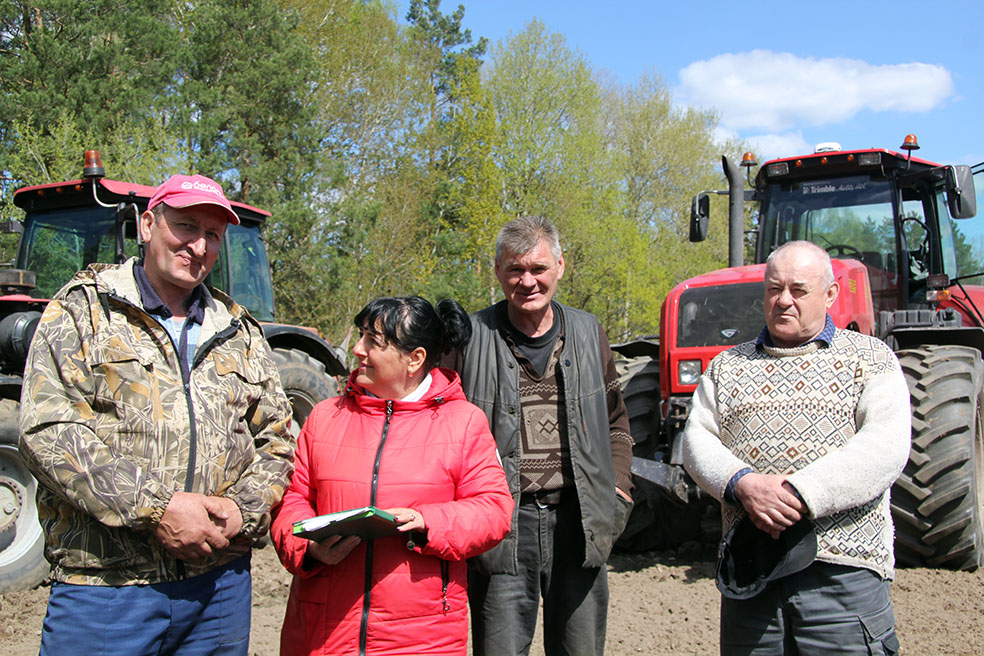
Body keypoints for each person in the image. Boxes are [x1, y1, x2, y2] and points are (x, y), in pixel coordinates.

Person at [18, 174, 295, 656]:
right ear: (148, 225)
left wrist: (240, 510)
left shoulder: (240, 331)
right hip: (106, 588)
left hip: (219, 588)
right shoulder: (85, 310)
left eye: (212, 235)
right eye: (185, 226)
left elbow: (277, 440)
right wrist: (157, 508)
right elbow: (47, 431)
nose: (199, 245)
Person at [681, 240, 911, 655]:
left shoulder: (871, 359)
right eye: (774, 289)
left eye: (799, 290)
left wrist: (799, 494)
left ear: (830, 294)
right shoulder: (727, 366)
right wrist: (743, 484)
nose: (784, 300)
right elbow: (697, 440)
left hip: (841, 576)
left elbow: (885, 447)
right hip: (750, 571)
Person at [270, 296, 513, 656]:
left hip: (424, 637)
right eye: (360, 336)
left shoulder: (464, 423)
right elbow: (291, 499)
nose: (357, 349)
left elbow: (494, 509)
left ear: (414, 359)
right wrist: (308, 548)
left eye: (373, 340)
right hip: (325, 633)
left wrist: (427, 521)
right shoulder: (323, 418)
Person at [451, 216, 634, 656]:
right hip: (501, 529)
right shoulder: (472, 338)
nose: (527, 281)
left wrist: (619, 493)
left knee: (580, 649)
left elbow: (617, 421)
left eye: (538, 268)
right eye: (515, 270)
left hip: (579, 521)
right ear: (497, 271)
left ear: (560, 267)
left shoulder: (589, 333)